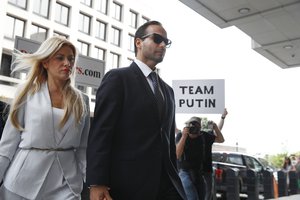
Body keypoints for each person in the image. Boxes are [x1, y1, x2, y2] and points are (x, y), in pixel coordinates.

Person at [86, 20, 186, 200]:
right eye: (157, 39)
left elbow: (168, 141)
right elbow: (101, 133)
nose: (162, 44)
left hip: (168, 186)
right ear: (138, 42)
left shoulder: (168, 91)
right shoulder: (118, 78)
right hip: (128, 186)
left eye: (166, 42)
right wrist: (97, 182)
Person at [0, 36, 90, 200]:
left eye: (71, 59)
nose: (67, 63)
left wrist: (91, 183)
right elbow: (7, 145)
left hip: (67, 185)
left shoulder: (82, 100)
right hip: (22, 183)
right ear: (45, 62)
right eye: (60, 58)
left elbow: (83, 149)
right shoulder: (26, 92)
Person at [176, 111, 226, 200]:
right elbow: (177, 155)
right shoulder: (182, 135)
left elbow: (221, 139)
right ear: (187, 126)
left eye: (197, 126)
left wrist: (216, 127)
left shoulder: (204, 136)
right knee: (192, 197)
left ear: (200, 128)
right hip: (185, 171)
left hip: (200, 172)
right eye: (191, 126)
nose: (194, 129)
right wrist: (184, 136)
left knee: (203, 196)